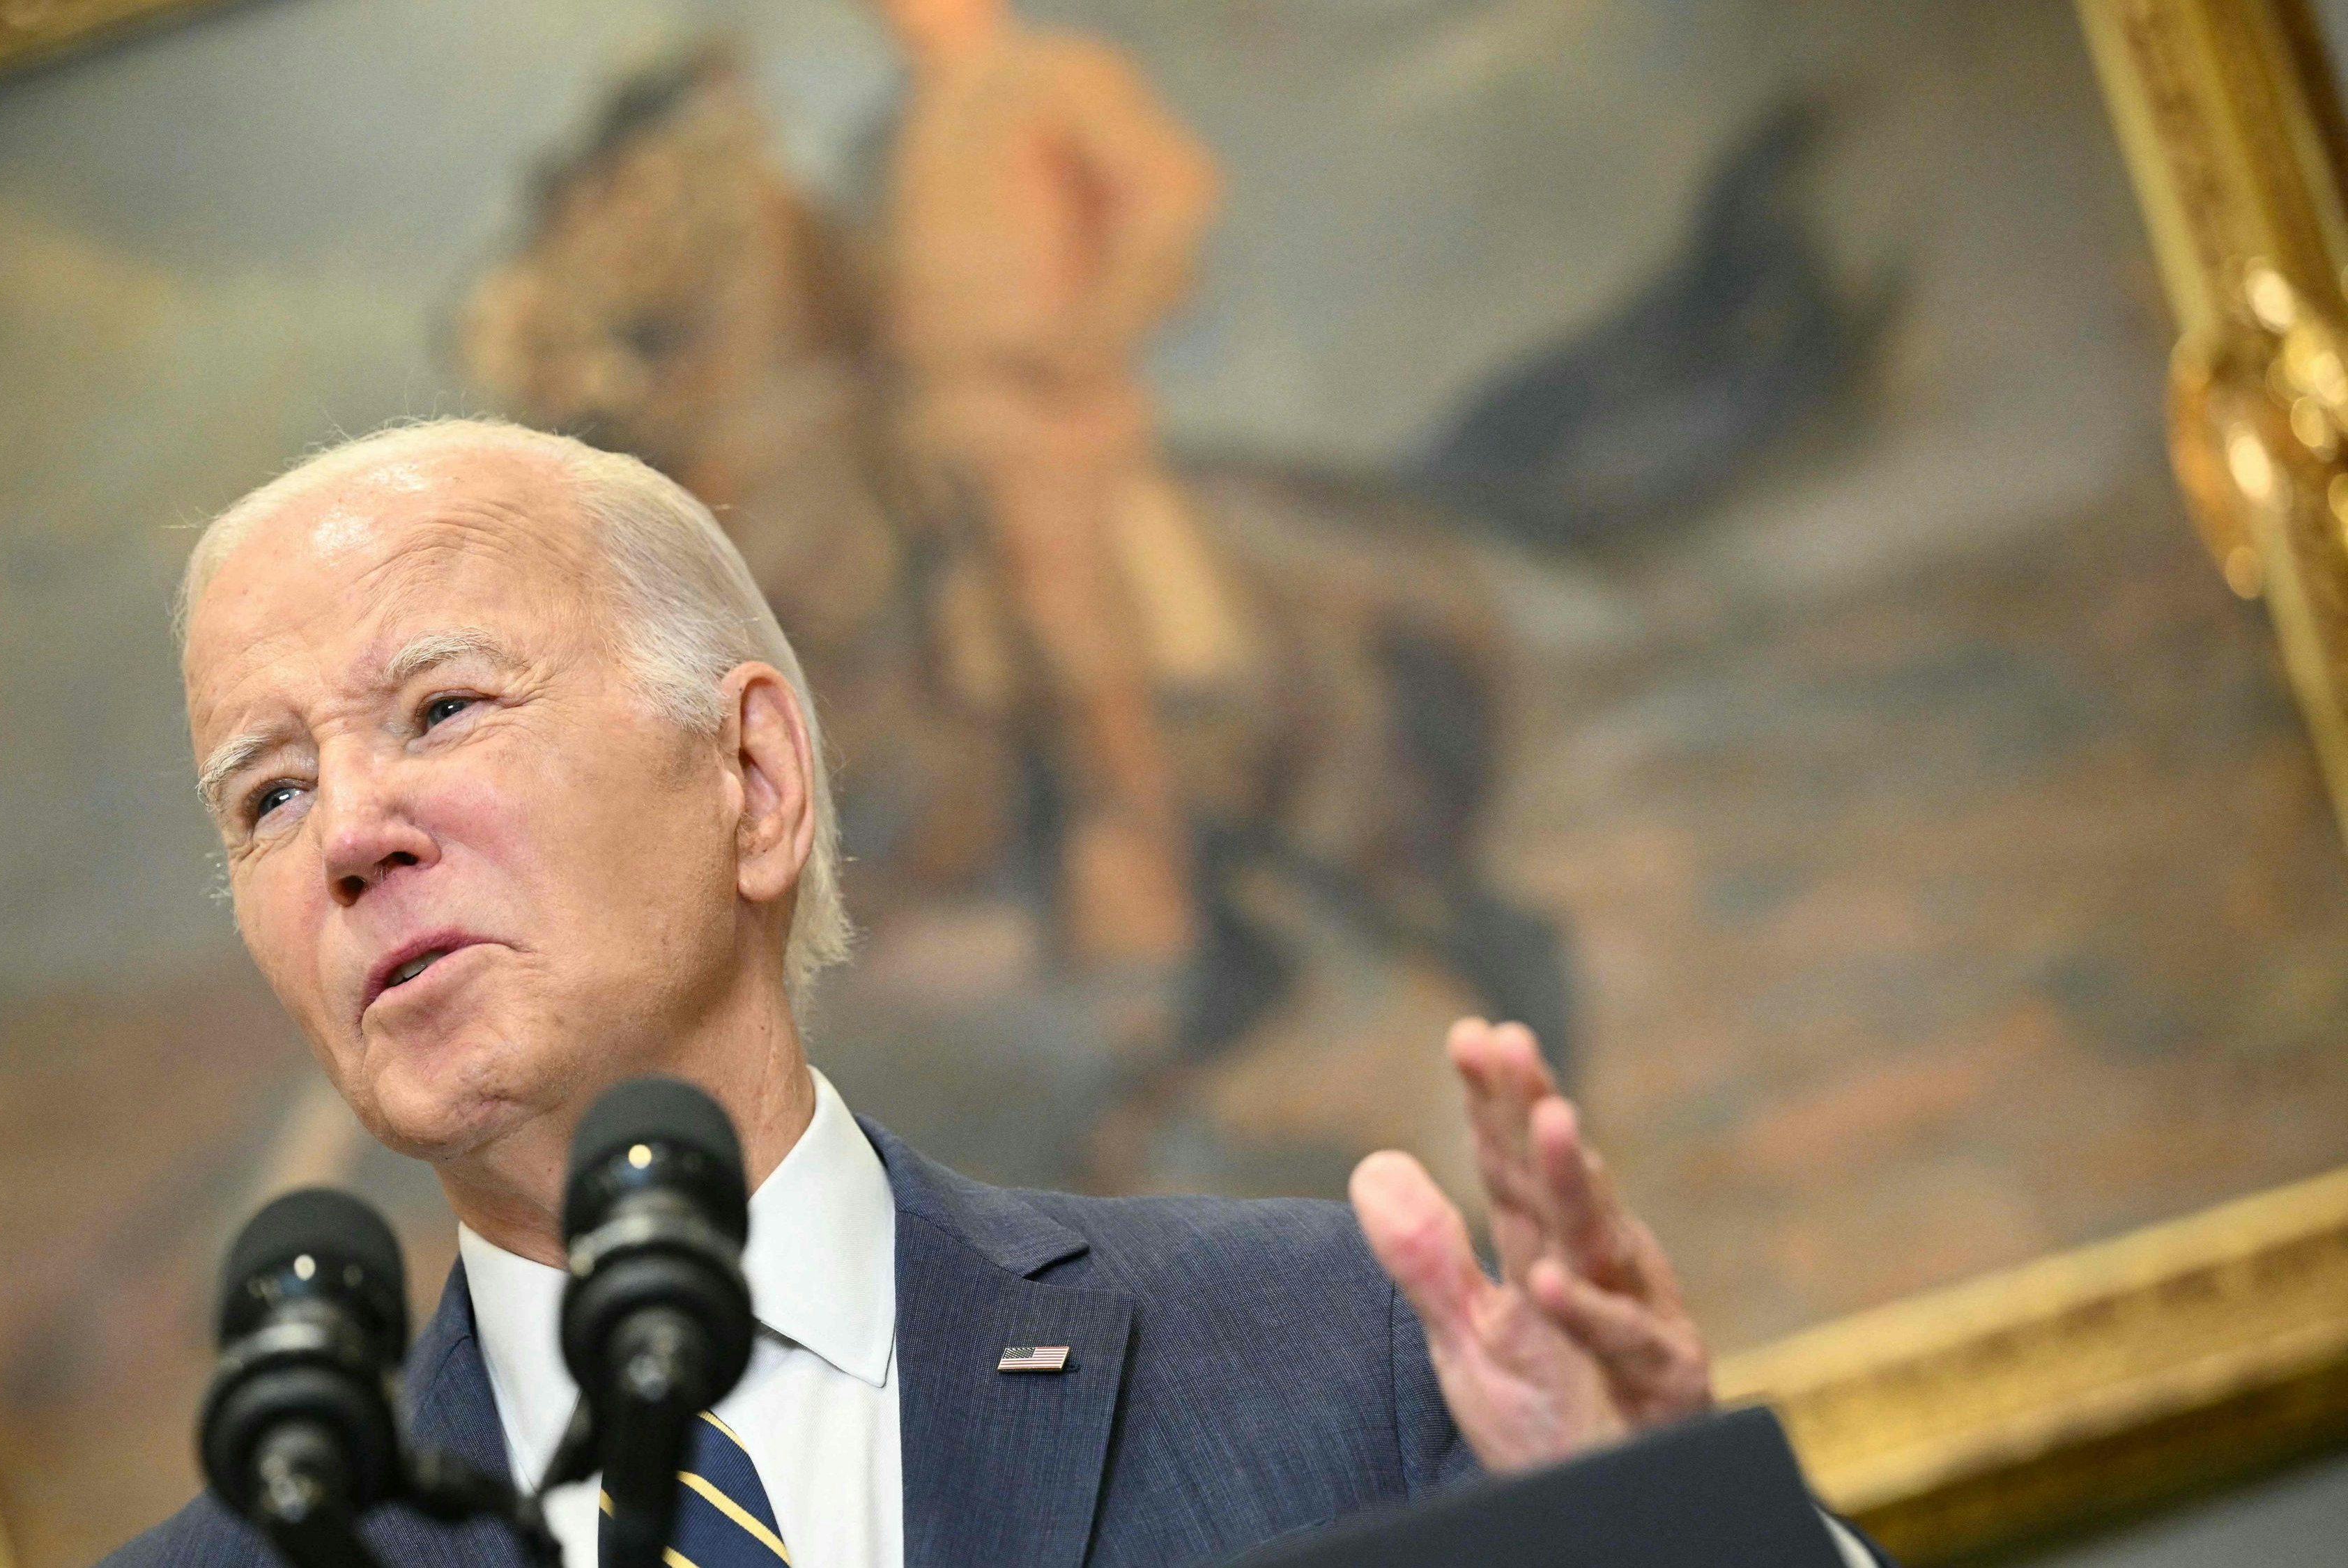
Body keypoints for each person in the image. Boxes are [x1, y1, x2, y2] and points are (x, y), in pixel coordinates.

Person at [105, 420, 1879, 1568]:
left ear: (753, 779)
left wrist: (1692, 1543)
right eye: (265, 793)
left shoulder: (1328, 1355)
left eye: (440, 710)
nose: (348, 833)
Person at [880, 0, 1234, 981]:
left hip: (1045, 419)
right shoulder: (915, 115)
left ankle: (1140, 858)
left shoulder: (1055, 73)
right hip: (936, 424)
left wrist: (1089, 329)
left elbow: (1172, 194)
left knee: (1064, 614)